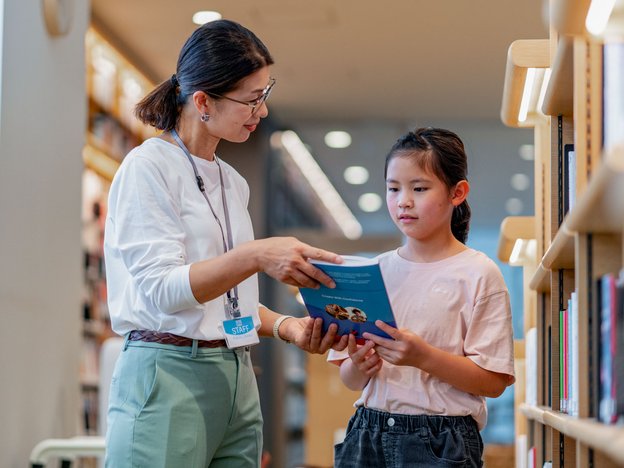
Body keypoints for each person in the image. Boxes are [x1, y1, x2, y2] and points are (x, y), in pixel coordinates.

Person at [103, 19, 347, 467]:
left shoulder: (232, 182)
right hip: (168, 370)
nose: (263, 111)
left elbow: (229, 309)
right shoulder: (148, 168)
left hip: (235, 372)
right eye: (252, 100)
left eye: (264, 95)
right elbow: (165, 291)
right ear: (202, 102)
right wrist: (256, 255)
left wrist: (286, 327)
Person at [329, 127, 515, 467]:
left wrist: (422, 357)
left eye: (419, 188)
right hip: (366, 432)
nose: (403, 201)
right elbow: (349, 379)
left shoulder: (478, 273)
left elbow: (494, 381)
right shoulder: (371, 272)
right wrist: (358, 366)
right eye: (393, 188)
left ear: (457, 193)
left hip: (442, 439)